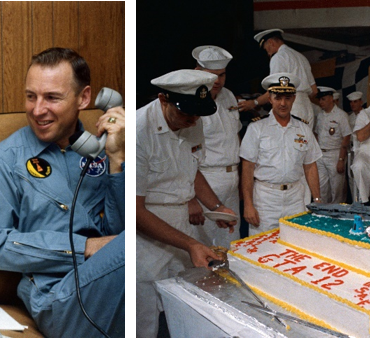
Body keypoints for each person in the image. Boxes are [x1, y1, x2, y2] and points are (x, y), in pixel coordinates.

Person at [0, 48, 125, 338]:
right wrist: (86, 247)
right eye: (31, 96)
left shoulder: (102, 150)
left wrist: (117, 161)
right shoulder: (4, 159)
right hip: (57, 295)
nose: (37, 109)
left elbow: (118, 233)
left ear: (83, 98)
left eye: (52, 97)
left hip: (112, 282)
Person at [136, 69, 238, 337]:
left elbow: (191, 170)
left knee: (183, 309)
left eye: (198, 113)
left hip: (181, 225)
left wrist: (216, 208)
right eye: (185, 113)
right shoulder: (138, 132)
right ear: (163, 99)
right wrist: (192, 244)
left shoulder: (192, 120)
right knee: (144, 320)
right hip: (146, 234)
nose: (193, 121)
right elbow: (135, 211)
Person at [241, 73, 323, 235]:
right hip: (266, 199)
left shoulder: (303, 129)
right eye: (278, 98)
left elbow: (310, 166)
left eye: (287, 98)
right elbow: (247, 168)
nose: (283, 103)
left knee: (296, 244)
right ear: (270, 99)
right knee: (262, 246)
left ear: (294, 98)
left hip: (296, 197)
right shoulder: (257, 128)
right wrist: (248, 204)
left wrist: (318, 201)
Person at [188, 45, 242, 247]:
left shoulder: (228, 96)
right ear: (198, 73)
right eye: (212, 76)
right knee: (203, 243)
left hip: (231, 179)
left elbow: (234, 136)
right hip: (204, 180)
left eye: (222, 75)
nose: (218, 81)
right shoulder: (190, 101)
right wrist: (189, 198)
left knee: (229, 241)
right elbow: (182, 153)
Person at [238, 29, 319, 130]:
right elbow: (314, 90)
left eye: (266, 49)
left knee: (287, 142)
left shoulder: (279, 57)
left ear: (271, 42)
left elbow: (275, 89)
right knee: (304, 143)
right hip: (307, 107)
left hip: (291, 106)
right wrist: (301, 98)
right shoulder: (301, 57)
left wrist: (254, 103)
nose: (268, 53)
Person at [313, 86, 351, 204]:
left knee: (337, 189)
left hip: (335, 153)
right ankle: (324, 212)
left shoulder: (341, 115)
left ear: (331, 98)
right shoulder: (320, 115)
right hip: (321, 154)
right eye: (320, 100)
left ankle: (338, 214)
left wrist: (341, 159)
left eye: (323, 99)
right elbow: (316, 134)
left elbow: (346, 137)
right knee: (322, 187)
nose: (321, 102)